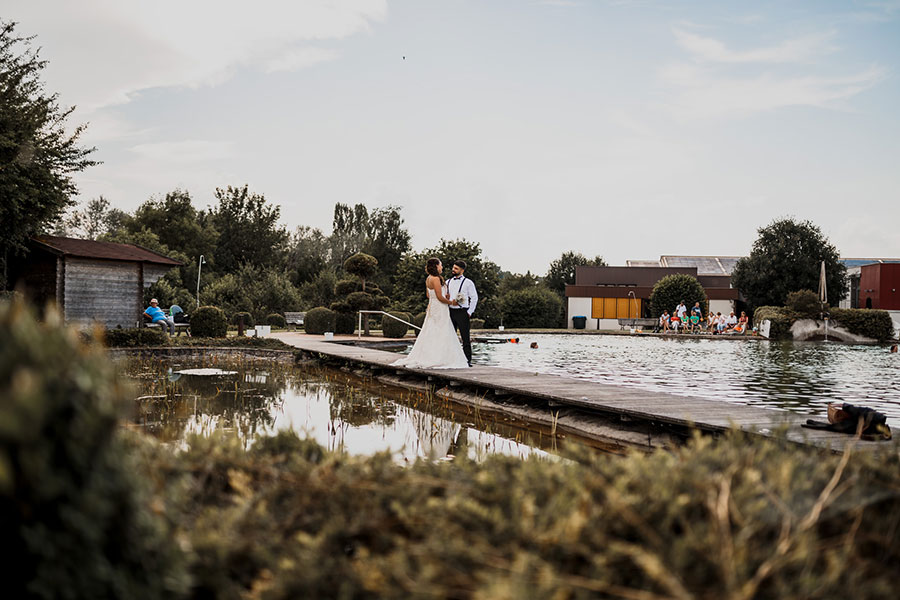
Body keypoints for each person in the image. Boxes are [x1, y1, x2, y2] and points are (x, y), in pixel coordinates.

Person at [392, 258, 469, 369]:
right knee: (442, 331)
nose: (442, 267)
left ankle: (430, 355)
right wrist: (451, 302)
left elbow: (429, 295)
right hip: (440, 308)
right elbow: (439, 297)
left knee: (431, 330)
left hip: (433, 307)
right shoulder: (436, 279)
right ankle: (438, 357)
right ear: (436, 266)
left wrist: (444, 295)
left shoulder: (428, 278)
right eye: (441, 265)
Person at [447, 260, 478, 366]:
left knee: (465, 337)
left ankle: (467, 360)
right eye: (453, 267)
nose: (453, 270)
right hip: (450, 312)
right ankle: (451, 359)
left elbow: (474, 298)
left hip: (462, 312)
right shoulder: (448, 282)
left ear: (462, 270)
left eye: (456, 268)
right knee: (450, 336)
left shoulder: (468, 283)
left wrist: (469, 312)